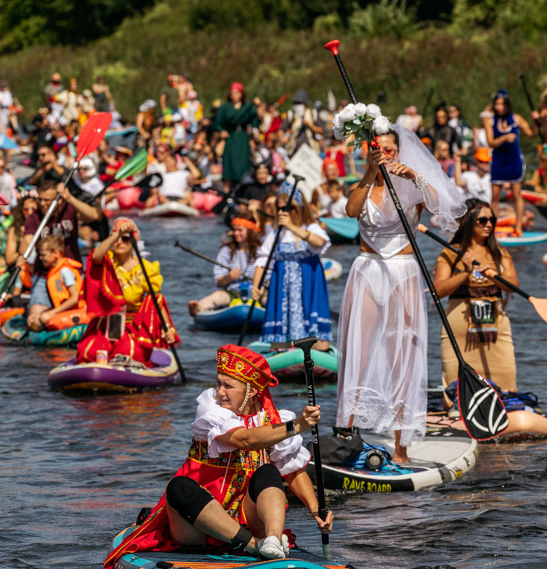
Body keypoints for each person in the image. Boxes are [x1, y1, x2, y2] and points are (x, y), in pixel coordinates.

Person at [104, 344, 332, 569]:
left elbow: (292, 469)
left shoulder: (272, 419)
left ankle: (272, 539)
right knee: (178, 487)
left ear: (252, 390)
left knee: (268, 472)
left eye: (228, 386)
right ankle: (254, 545)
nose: (220, 392)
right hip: (199, 524)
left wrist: (316, 510)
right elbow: (243, 439)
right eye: (218, 383)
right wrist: (296, 426)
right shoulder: (210, 406)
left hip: (246, 516)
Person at [336, 125, 467, 462]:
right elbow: (351, 211)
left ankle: (401, 446)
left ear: (399, 153)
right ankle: (345, 435)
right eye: (378, 150)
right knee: (358, 351)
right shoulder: (362, 184)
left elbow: (445, 205)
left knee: (403, 355)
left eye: (390, 150)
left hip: (403, 272)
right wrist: (370, 172)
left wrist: (416, 177)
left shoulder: (411, 187)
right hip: (368, 269)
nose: (385, 155)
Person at [433, 201, 519, 398]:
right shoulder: (451, 252)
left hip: (496, 328)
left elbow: (514, 283)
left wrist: (494, 276)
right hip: (460, 330)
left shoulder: (499, 251)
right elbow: (438, 290)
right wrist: (465, 273)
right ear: (468, 222)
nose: (488, 224)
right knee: (456, 386)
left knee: (506, 385)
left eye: (492, 220)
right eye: (482, 220)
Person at [75, 218, 178, 366]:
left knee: (126, 354)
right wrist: (117, 234)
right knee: (88, 353)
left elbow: (156, 300)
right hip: (106, 323)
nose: (119, 242)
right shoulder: (107, 260)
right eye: (116, 238)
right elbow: (95, 256)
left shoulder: (145, 268)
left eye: (125, 238)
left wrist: (167, 328)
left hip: (132, 327)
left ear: (134, 241)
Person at [252, 181, 331, 348]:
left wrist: (291, 227)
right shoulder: (276, 234)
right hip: (283, 286)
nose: (282, 213)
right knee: (280, 337)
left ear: (298, 209)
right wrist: (256, 286)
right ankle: (282, 347)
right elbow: (263, 260)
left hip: (307, 285)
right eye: (279, 209)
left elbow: (319, 242)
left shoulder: (311, 227)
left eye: (287, 209)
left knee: (319, 343)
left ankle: (312, 347)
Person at [483, 90, 536, 237]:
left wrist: (535, 121)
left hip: (514, 161)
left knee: (517, 195)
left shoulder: (516, 118)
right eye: (497, 104)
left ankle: (518, 227)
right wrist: (505, 138)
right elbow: (490, 142)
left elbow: (532, 133)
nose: (499, 107)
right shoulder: (490, 121)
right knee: (495, 196)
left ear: (507, 105)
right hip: (499, 161)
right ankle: (491, 228)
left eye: (502, 104)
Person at [189, 215, 260, 316]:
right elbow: (219, 282)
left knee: (269, 297)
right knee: (217, 296)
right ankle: (198, 308)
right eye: (234, 230)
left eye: (240, 230)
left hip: (257, 292)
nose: (236, 233)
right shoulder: (226, 251)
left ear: (250, 231)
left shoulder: (261, 251)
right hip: (233, 292)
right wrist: (228, 277)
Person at [26, 235, 85, 332]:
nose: (40, 258)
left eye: (43, 255)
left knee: (43, 318)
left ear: (56, 254)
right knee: (37, 318)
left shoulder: (64, 271)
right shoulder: (56, 271)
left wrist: (51, 313)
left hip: (78, 312)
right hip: (68, 311)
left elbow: (75, 298)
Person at [211, 82, 259, 192]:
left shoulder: (248, 107)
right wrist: (221, 131)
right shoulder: (225, 107)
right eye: (232, 93)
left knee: (243, 166)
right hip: (231, 138)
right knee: (229, 166)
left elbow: (254, 122)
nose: (234, 95)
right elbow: (217, 123)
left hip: (243, 138)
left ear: (241, 94)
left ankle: (243, 191)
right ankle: (226, 193)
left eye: (237, 93)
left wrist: (254, 134)